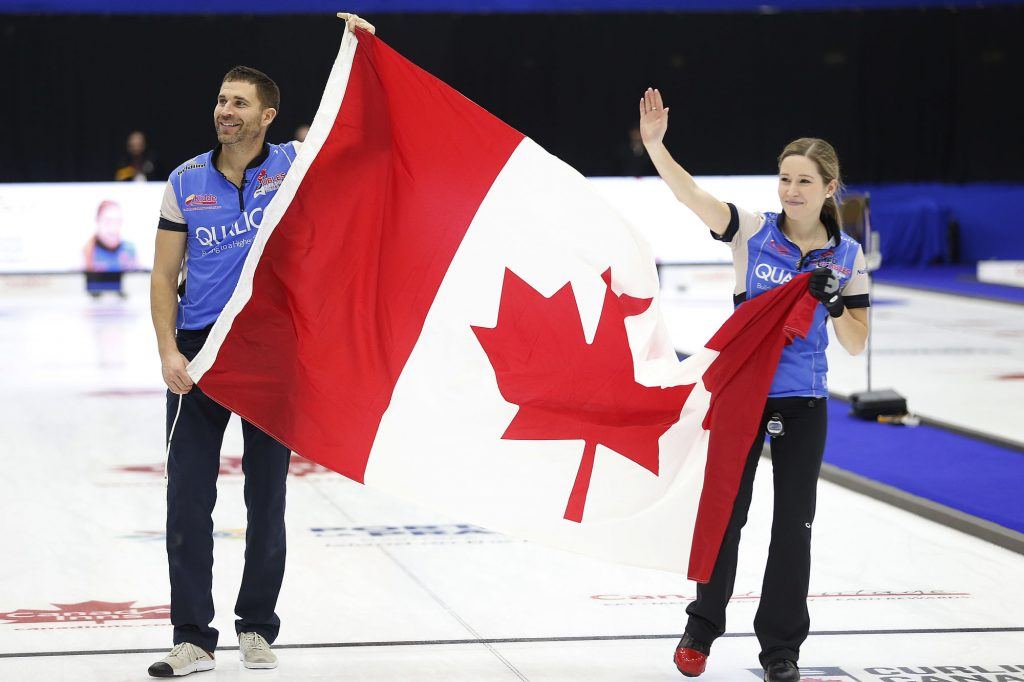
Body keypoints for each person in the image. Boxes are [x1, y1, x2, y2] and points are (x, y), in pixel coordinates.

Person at [148, 14, 375, 678]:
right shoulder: (185, 181)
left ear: (267, 115)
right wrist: (169, 352)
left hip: (272, 352)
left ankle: (256, 627)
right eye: (221, 100)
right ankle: (192, 637)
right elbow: (163, 276)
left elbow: (356, 136)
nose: (224, 110)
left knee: (266, 496)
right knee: (188, 499)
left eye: (238, 102)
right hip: (200, 353)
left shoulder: (293, 168)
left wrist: (357, 50)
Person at [637, 88, 869, 682]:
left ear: (828, 189)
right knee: (725, 513)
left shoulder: (847, 255)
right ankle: (701, 630)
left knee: (794, 527)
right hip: (741, 393)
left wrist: (835, 300)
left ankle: (781, 650)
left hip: (804, 400)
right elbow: (692, 196)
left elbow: (855, 342)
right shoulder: (752, 230)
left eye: (804, 182)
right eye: (785, 178)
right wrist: (657, 147)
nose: (791, 191)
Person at [84, 199, 138, 297]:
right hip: (93, 299)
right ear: (97, 221)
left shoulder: (129, 250)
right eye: (108, 221)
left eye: (117, 221)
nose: (113, 228)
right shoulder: (86, 252)